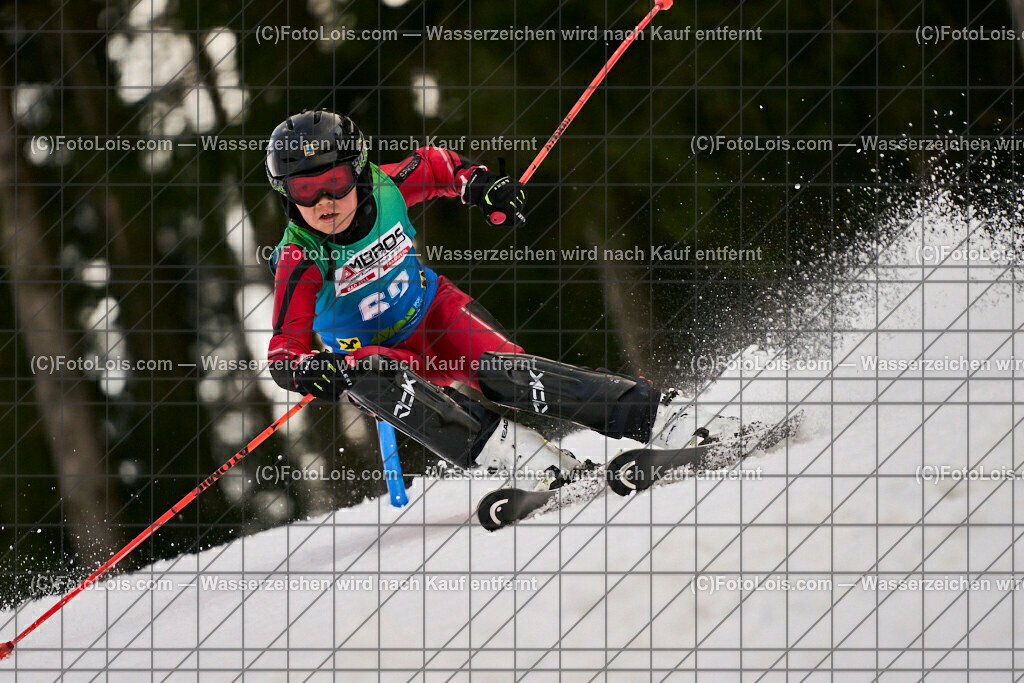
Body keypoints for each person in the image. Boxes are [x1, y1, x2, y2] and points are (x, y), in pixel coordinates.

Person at [265, 109, 729, 490]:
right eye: (306, 189)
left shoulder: (388, 186)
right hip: (379, 357)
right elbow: (284, 349)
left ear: (360, 169)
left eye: (337, 180)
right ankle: (523, 458)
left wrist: (482, 185)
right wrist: (305, 369)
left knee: (505, 373)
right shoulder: (300, 256)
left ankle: (659, 416)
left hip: (434, 314)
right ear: (287, 194)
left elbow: (439, 166)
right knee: (367, 374)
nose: (325, 199)